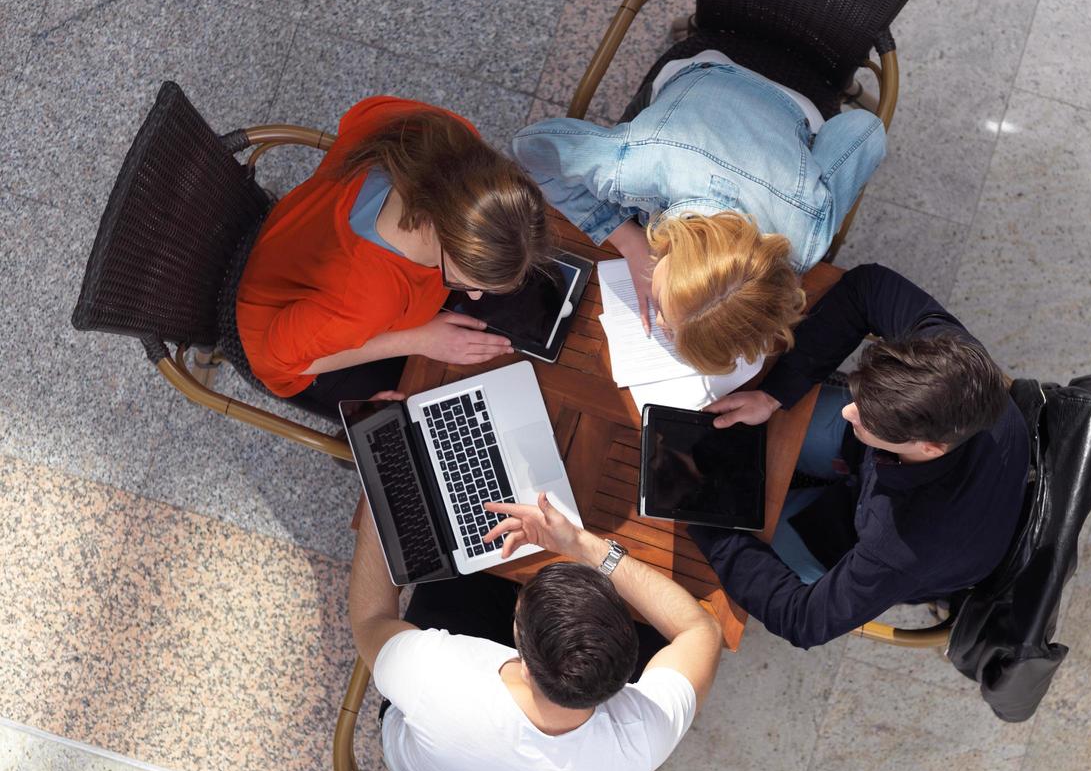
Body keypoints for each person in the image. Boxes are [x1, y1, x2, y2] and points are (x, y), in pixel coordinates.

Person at [688, 264, 1030, 649]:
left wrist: (704, 520)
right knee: (733, 430)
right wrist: (774, 395)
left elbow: (804, 620)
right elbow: (867, 287)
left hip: (866, 531)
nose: (849, 412)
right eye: (860, 398)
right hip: (887, 472)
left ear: (929, 447)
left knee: (719, 540)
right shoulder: (950, 362)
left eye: (871, 420)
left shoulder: (901, 547)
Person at [348, 492, 722, 771]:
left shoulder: (436, 672)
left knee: (473, 562)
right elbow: (700, 629)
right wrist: (585, 547)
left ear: (518, 648)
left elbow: (370, 620)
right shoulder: (640, 736)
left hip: (422, 762)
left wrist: (379, 497)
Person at [510, 52, 886, 374]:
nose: (657, 321)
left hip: (763, 98)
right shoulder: (634, 166)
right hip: (714, 77)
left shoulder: (802, 240)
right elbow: (529, 147)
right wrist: (627, 239)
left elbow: (865, 127)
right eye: (667, 320)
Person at [236, 96, 549, 416]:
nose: (474, 293)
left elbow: (361, 114)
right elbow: (274, 360)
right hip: (295, 345)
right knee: (425, 424)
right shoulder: (364, 298)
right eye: (465, 279)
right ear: (443, 234)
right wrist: (417, 341)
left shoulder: (446, 134)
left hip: (295, 240)